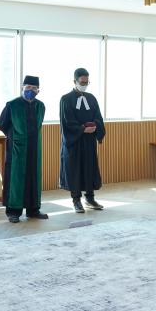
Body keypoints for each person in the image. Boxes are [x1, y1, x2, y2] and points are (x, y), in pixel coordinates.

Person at [0, 76, 47, 223]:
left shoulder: (40, 106)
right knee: (16, 179)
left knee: (33, 177)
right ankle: (13, 212)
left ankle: (33, 210)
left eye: (34, 88)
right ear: (22, 88)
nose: (30, 90)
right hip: (17, 149)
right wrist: (14, 136)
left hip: (34, 148)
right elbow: (2, 123)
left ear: (38, 91)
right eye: (28, 87)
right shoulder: (12, 105)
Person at [59, 68, 105, 213]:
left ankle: (90, 198)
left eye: (87, 82)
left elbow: (98, 116)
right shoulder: (66, 99)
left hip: (89, 141)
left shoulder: (92, 98)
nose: (84, 85)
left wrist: (95, 125)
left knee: (89, 168)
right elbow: (66, 121)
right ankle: (76, 200)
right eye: (82, 82)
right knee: (75, 170)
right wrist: (82, 129)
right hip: (74, 142)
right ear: (75, 81)